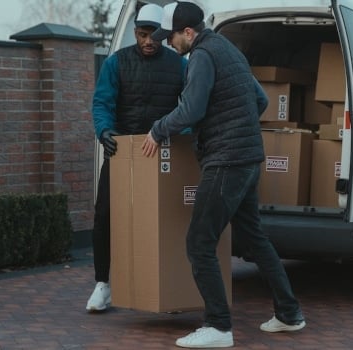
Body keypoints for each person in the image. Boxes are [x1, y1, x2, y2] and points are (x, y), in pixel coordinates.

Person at [142, 1, 306, 348]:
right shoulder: (229, 50)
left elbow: (192, 108)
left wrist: (158, 130)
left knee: (199, 244)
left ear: (188, 32)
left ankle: (218, 327)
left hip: (226, 160)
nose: (168, 43)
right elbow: (259, 100)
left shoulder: (201, 55)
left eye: (170, 36)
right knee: (254, 238)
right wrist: (234, 121)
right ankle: (290, 314)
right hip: (247, 157)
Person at [86, 3, 187, 312]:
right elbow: (102, 103)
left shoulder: (180, 65)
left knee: (163, 220)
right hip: (122, 151)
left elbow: (190, 105)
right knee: (105, 216)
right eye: (142, 35)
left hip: (163, 152)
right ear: (135, 33)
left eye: (154, 37)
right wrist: (104, 132)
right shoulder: (116, 63)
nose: (148, 42)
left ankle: (168, 285)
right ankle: (102, 284)